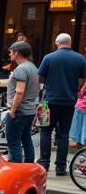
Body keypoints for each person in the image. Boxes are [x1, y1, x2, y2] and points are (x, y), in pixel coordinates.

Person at [37, 32, 86, 175]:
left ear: (57, 42)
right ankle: (61, 166)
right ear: (69, 43)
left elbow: (40, 77)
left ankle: (44, 163)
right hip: (69, 101)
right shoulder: (80, 59)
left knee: (44, 130)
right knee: (64, 134)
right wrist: (76, 89)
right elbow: (82, 80)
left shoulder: (49, 57)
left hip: (47, 100)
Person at [3, 40, 40, 164]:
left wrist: (12, 110)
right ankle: (29, 167)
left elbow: (19, 91)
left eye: (11, 52)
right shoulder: (33, 67)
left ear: (16, 53)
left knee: (14, 143)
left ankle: (17, 170)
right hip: (29, 109)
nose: (10, 55)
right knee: (26, 139)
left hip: (19, 110)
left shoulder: (21, 69)